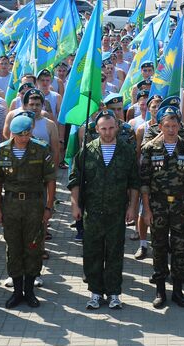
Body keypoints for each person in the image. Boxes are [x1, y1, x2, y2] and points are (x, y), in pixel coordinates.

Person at [68, 110, 140, 310]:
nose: (107, 132)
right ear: (97, 129)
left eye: (111, 128)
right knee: (92, 252)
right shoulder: (87, 151)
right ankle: (95, 292)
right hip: (93, 212)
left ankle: (114, 293)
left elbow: (134, 182)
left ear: (117, 127)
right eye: (103, 129)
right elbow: (74, 180)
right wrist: (75, 205)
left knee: (115, 253)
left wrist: (133, 207)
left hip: (117, 212)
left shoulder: (126, 151)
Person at [0, 115, 56, 309]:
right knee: (14, 247)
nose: (24, 138)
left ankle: (29, 291)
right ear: (13, 133)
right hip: (11, 204)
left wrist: (49, 207)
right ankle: (17, 291)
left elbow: (51, 180)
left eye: (27, 134)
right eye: (20, 135)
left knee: (33, 246)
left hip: (34, 205)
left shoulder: (41, 149)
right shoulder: (2, 151)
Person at [140, 106, 184, 309]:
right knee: (159, 246)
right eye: (167, 126)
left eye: (175, 126)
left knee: (180, 247)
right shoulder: (149, 149)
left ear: (180, 126)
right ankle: (160, 290)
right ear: (160, 127)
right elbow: (144, 183)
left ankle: (178, 291)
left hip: (181, 206)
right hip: (158, 205)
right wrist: (146, 210)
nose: (171, 129)